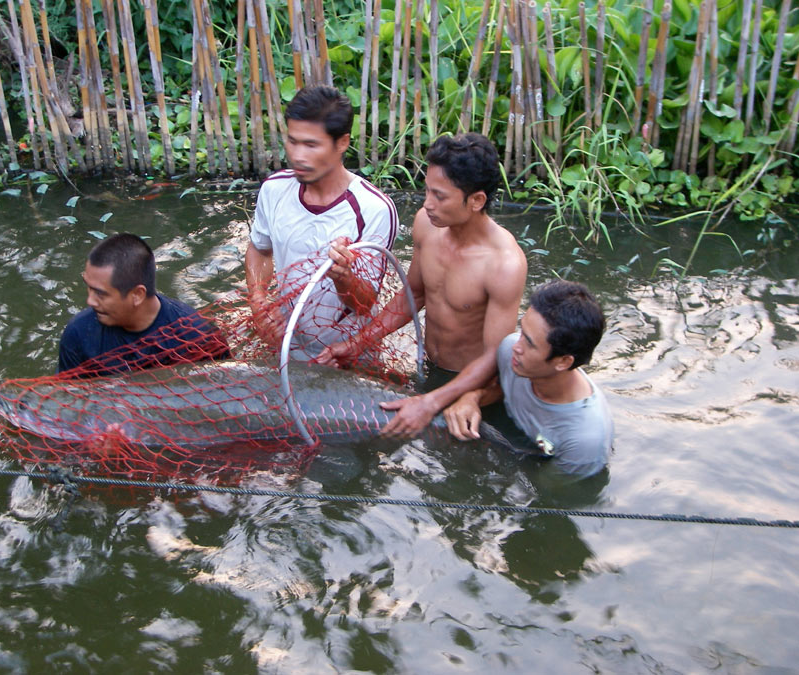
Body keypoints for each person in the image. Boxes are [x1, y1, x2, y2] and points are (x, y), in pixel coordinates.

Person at [315, 132, 527, 433]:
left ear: (477, 200)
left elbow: (496, 357)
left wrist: (431, 402)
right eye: (427, 191)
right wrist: (354, 344)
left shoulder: (503, 263)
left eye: (440, 196)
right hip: (432, 368)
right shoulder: (427, 226)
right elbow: (413, 294)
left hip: (475, 386)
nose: (427, 204)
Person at [244, 85, 398, 360]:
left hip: (345, 352)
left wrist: (344, 278)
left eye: (311, 145)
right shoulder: (274, 189)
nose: (298, 156)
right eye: (293, 141)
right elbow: (259, 249)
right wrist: (258, 301)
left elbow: (365, 304)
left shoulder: (375, 209)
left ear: (342, 143)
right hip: (286, 340)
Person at [443, 280, 613, 478]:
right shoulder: (511, 351)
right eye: (522, 331)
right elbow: (500, 388)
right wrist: (472, 398)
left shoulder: (585, 442)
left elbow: (549, 494)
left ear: (563, 362)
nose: (517, 345)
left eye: (530, 343)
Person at [58, 232, 229, 374]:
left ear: (137, 295)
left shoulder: (197, 336)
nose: (90, 301)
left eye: (101, 294)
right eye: (89, 288)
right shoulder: (79, 333)